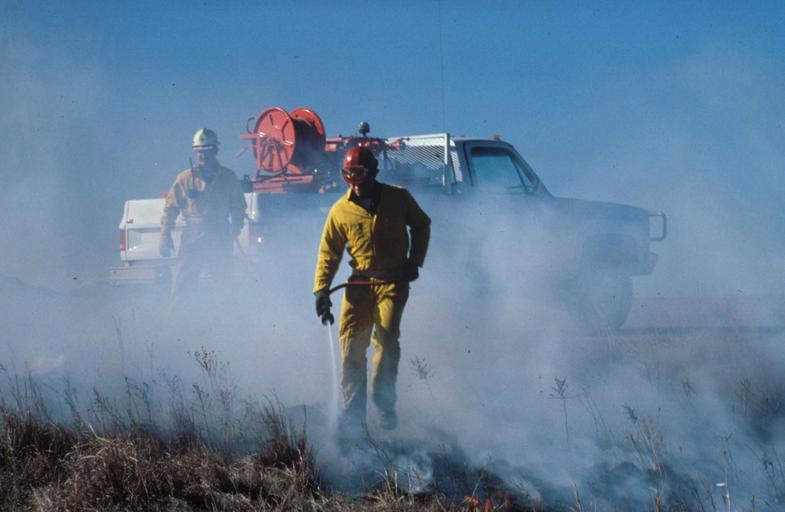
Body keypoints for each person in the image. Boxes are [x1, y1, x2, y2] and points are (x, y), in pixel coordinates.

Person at [313, 146, 431, 434]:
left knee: (386, 341)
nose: (354, 181)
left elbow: (421, 224)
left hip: (393, 283)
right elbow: (329, 253)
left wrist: (414, 261)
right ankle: (353, 419)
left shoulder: (398, 198)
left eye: (358, 173)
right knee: (351, 347)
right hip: (359, 286)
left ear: (372, 172)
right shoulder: (340, 211)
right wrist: (321, 290)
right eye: (348, 174)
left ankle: (383, 403)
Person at [160, 128, 247, 313]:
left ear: (215, 151)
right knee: (182, 286)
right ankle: (175, 324)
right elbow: (170, 208)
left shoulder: (228, 177)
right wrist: (164, 236)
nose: (202, 155)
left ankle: (230, 324)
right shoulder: (185, 178)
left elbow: (238, 207)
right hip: (193, 237)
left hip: (220, 236)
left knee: (225, 288)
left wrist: (235, 229)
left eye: (206, 151)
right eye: (199, 151)